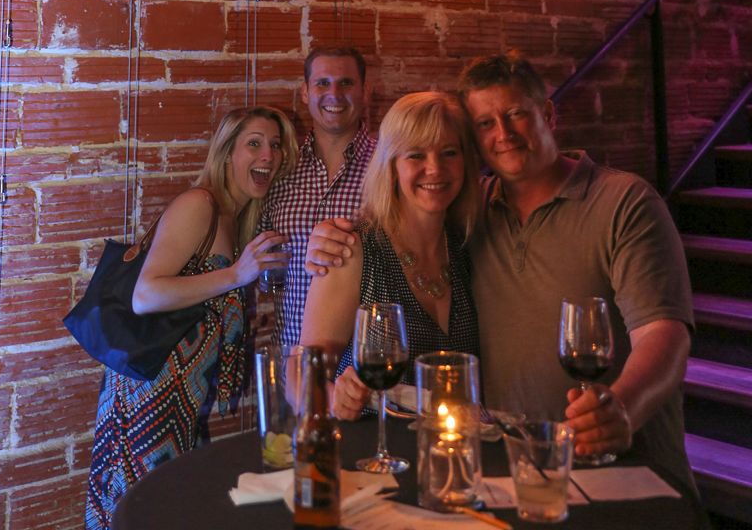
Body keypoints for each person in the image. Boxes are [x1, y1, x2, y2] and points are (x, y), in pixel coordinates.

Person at [307, 52, 695, 491]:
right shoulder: (475, 216)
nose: (503, 134)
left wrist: (624, 406)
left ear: (548, 114)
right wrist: (325, 240)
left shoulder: (624, 202)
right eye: (485, 123)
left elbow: (664, 334)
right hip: (508, 467)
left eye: (515, 115)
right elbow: (308, 364)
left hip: (621, 464)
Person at [85, 105, 297, 529]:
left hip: (180, 405)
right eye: (254, 144)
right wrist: (236, 275)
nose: (268, 156)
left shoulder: (235, 219)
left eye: (275, 146)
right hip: (146, 400)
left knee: (173, 510)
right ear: (227, 152)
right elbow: (146, 295)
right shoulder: (199, 204)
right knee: (142, 514)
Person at [299, 90, 481, 420]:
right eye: (416, 155)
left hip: (449, 444)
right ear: (391, 166)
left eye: (449, 153)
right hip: (372, 446)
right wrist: (332, 398)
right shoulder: (354, 249)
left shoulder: (467, 246)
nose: (435, 168)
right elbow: (300, 374)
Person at [260, 45, 375, 347]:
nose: (334, 94)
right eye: (322, 83)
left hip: (361, 364)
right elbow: (261, 263)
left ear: (365, 92)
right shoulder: (281, 170)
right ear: (305, 92)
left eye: (346, 83)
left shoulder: (389, 166)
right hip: (291, 357)